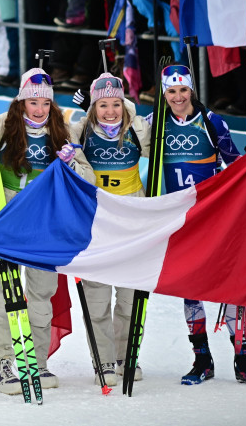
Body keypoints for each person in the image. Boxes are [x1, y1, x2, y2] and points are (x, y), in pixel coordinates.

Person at [148, 64, 246, 387]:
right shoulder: (155, 124)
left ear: (192, 91)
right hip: (181, 221)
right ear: (164, 94)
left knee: (233, 284)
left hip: (215, 218)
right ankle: (202, 358)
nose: (177, 97)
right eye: (171, 91)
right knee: (191, 288)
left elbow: (235, 164)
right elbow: (124, 140)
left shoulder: (211, 122)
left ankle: (243, 358)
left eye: (183, 90)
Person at [0, 69, 94, 394]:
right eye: (32, 101)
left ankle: (37, 360)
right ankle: (1, 364)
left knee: (42, 293)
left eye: (45, 102)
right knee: (3, 292)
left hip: (44, 224)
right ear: (21, 101)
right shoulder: (3, 125)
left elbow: (89, 180)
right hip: (8, 220)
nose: (39, 108)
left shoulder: (61, 132)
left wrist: (73, 161)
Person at [72, 73, 151, 385]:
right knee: (97, 296)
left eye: (115, 104)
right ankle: (103, 361)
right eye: (103, 104)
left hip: (131, 217)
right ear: (94, 107)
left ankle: (126, 355)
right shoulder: (80, 130)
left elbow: (157, 153)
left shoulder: (137, 127)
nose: (110, 111)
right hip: (97, 219)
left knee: (131, 296)